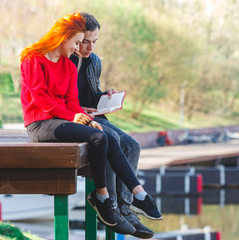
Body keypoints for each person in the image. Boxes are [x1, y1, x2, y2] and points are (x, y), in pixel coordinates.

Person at [19, 12, 162, 236]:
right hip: (42, 122)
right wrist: (73, 116)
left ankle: (136, 195)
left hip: (67, 118)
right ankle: (106, 200)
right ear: (63, 37)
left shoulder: (69, 65)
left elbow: (74, 100)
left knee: (109, 137)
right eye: (79, 41)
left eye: (89, 42)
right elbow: (40, 99)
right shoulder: (34, 57)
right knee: (101, 137)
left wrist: (88, 112)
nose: (82, 48)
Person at [69, 13, 156, 238]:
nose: (89, 47)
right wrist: (79, 111)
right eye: (85, 41)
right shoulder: (64, 59)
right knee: (111, 141)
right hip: (73, 117)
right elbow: (63, 98)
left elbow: (91, 94)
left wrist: (105, 96)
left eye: (94, 42)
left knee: (133, 146)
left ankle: (126, 208)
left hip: (94, 115)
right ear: (75, 37)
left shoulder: (95, 61)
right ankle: (112, 207)